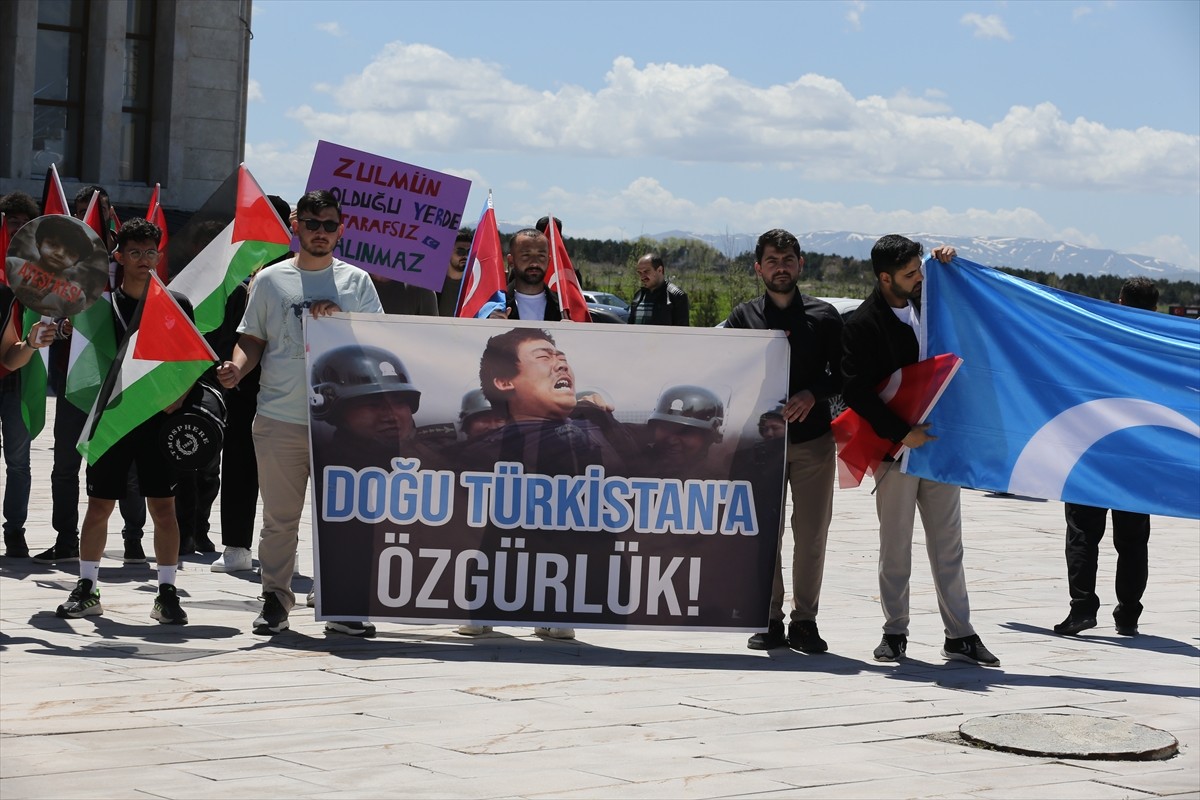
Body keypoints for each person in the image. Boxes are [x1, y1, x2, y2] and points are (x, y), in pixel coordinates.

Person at [216, 189, 383, 637]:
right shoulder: (270, 280)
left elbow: (378, 343)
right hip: (280, 414)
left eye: (330, 224)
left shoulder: (358, 283)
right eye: (313, 224)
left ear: (341, 229)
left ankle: (342, 601)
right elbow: (252, 338)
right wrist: (236, 365)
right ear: (296, 226)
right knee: (280, 518)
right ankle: (275, 598)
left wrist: (341, 321)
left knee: (343, 516)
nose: (322, 232)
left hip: (344, 423)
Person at [842, 234, 999, 666]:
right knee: (895, 546)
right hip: (897, 451)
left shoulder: (932, 306)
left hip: (938, 446)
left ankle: (960, 635)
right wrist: (900, 432)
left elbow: (963, 307)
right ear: (884, 277)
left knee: (949, 544)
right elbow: (855, 390)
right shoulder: (862, 324)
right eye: (910, 273)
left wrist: (945, 262)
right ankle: (895, 632)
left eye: (920, 271)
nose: (919, 279)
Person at [53, 218, 191, 625]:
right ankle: (87, 587)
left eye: (150, 252)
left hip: (157, 420)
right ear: (119, 256)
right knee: (98, 507)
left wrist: (177, 398)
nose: (143, 260)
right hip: (111, 420)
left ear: (159, 255)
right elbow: (82, 352)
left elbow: (187, 361)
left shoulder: (176, 303)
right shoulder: (98, 304)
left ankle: (166, 593)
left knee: (164, 509)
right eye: (135, 252)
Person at [725, 229, 843, 653]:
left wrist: (814, 393)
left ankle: (805, 622)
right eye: (772, 260)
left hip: (813, 442)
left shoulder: (825, 316)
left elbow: (843, 373)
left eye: (788, 258)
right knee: (764, 535)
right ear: (758, 268)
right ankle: (768, 618)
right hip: (761, 443)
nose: (780, 266)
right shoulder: (743, 317)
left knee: (811, 534)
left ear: (800, 264)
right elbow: (729, 370)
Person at [1054, 277, 1161, 638]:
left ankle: (1083, 608)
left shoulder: (1098, 339)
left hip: (1093, 450)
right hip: (1138, 455)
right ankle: (1128, 613)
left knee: (1083, 532)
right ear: (1156, 308)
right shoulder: (1162, 347)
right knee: (1133, 539)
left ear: (1119, 301)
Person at [0, 191, 42, 558]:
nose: (14, 229)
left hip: (18, 377)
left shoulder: (39, 272)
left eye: (20, 224)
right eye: (9, 222)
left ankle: (14, 531)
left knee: (19, 460)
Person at [1, 290, 57, 558]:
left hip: (15, 385)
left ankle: (14, 531)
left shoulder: (17, 298)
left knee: (18, 462)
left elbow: (10, 358)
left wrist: (33, 344)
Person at [5, 215, 100, 318]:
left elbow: (70, 328)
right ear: (39, 243)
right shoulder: (11, 265)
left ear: (76, 262)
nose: (60, 254)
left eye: (70, 253)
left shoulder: (75, 295)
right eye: (53, 245)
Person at [639, 384, 726, 480]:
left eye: (685, 431)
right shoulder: (634, 470)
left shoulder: (721, 486)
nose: (671, 440)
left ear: (709, 437)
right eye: (665, 428)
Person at [504, 229, 561, 321]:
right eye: (526, 255)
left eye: (541, 256)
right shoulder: (495, 305)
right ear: (511, 261)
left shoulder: (565, 309)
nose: (534, 263)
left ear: (548, 260)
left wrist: (570, 331)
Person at [629, 253, 689, 326]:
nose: (642, 277)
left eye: (646, 272)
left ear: (660, 270)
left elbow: (682, 333)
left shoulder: (676, 296)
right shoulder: (638, 296)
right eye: (640, 273)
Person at [437, 229, 473, 317]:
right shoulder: (432, 285)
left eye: (469, 252)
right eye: (460, 252)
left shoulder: (475, 286)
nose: (466, 256)